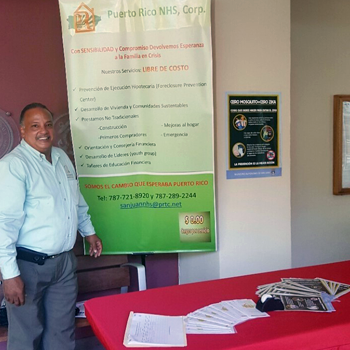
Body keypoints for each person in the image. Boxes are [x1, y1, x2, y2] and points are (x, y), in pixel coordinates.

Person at [0, 103, 103, 350]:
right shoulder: (14, 165)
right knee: (27, 336)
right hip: (28, 265)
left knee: (62, 333)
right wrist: (10, 274)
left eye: (47, 124)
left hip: (64, 265)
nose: (43, 131)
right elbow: (4, 223)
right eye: (35, 126)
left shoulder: (61, 157)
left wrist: (88, 231)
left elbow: (75, 200)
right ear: (22, 130)